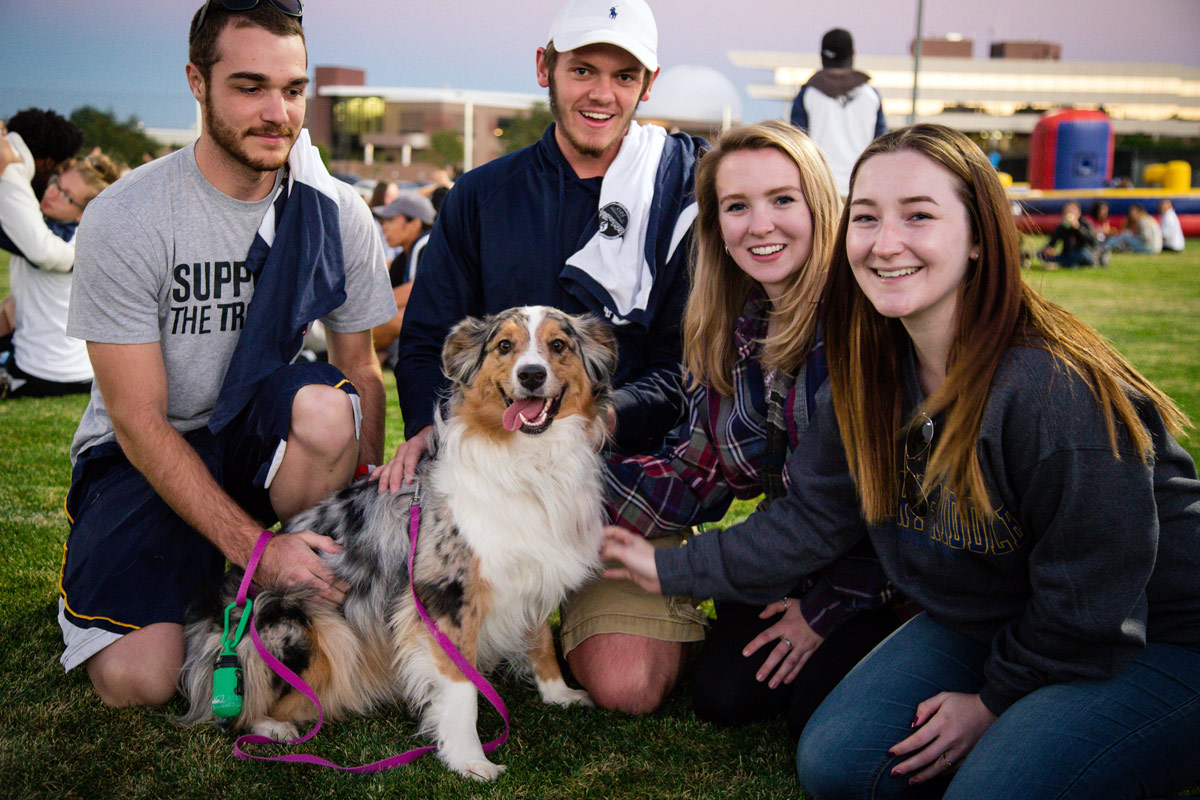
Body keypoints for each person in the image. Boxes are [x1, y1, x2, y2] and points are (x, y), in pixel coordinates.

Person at [603, 123, 1200, 798]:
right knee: (838, 764)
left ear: (978, 237)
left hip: (1152, 635)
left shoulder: (1050, 388)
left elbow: (1092, 598)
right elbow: (812, 522)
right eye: (868, 218)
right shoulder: (871, 370)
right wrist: (661, 565)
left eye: (919, 216)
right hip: (997, 613)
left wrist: (992, 703)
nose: (886, 244)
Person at [58, 0, 396, 708]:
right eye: (249, 87)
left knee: (329, 409)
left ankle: (322, 580)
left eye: (294, 89)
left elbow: (363, 370)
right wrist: (258, 550)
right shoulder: (128, 216)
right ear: (197, 81)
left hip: (252, 437)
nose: (277, 111)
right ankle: (195, 562)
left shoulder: (334, 211)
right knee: (138, 683)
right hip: (147, 452)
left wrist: (371, 527)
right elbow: (139, 420)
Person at [379, 0, 707, 714]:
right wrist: (426, 427)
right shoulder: (479, 196)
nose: (600, 92)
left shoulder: (684, 197)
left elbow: (688, 371)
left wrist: (599, 418)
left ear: (647, 85)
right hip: (495, 480)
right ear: (545, 69)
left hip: (620, 481)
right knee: (390, 601)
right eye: (582, 68)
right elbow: (431, 339)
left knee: (626, 685)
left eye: (623, 75)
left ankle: (594, 612)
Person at [605, 120, 901, 738]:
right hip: (794, 557)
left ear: (821, 205)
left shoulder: (863, 321)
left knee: (813, 718)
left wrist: (821, 613)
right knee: (724, 695)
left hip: (889, 571)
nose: (759, 225)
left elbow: (868, 511)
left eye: (782, 200)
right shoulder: (738, 326)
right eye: (737, 206)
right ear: (716, 225)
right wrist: (564, 486)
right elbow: (697, 473)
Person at [0, 145, 120, 397]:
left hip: (40, 373)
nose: (52, 194)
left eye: (67, 196)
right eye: (57, 184)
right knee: (9, 305)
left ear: (82, 214)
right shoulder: (91, 235)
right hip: (85, 373)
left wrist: (10, 162)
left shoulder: (49, 239)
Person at [789, 28, 887, 196]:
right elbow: (883, 144)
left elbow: (796, 142)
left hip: (820, 187)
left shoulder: (808, 93)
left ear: (821, 56)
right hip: (861, 186)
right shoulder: (870, 95)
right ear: (853, 53)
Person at [370, 190, 436, 359]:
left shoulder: (428, 243)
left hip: (446, 328)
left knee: (386, 320)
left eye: (390, 220)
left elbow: (417, 291)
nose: (384, 227)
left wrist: (367, 309)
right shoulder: (403, 256)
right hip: (429, 328)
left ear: (415, 223)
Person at [1039, 200, 1101, 268]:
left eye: (1072, 211)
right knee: (1040, 254)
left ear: (1078, 213)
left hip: (1084, 253)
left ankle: (1062, 263)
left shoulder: (1085, 224)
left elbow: (1092, 241)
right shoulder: (1062, 227)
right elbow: (1052, 243)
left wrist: (1077, 227)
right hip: (1068, 255)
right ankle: (1066, 263)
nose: (1069, 213)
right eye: (1067, 212)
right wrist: (1048, 249)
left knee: (1082, 255)